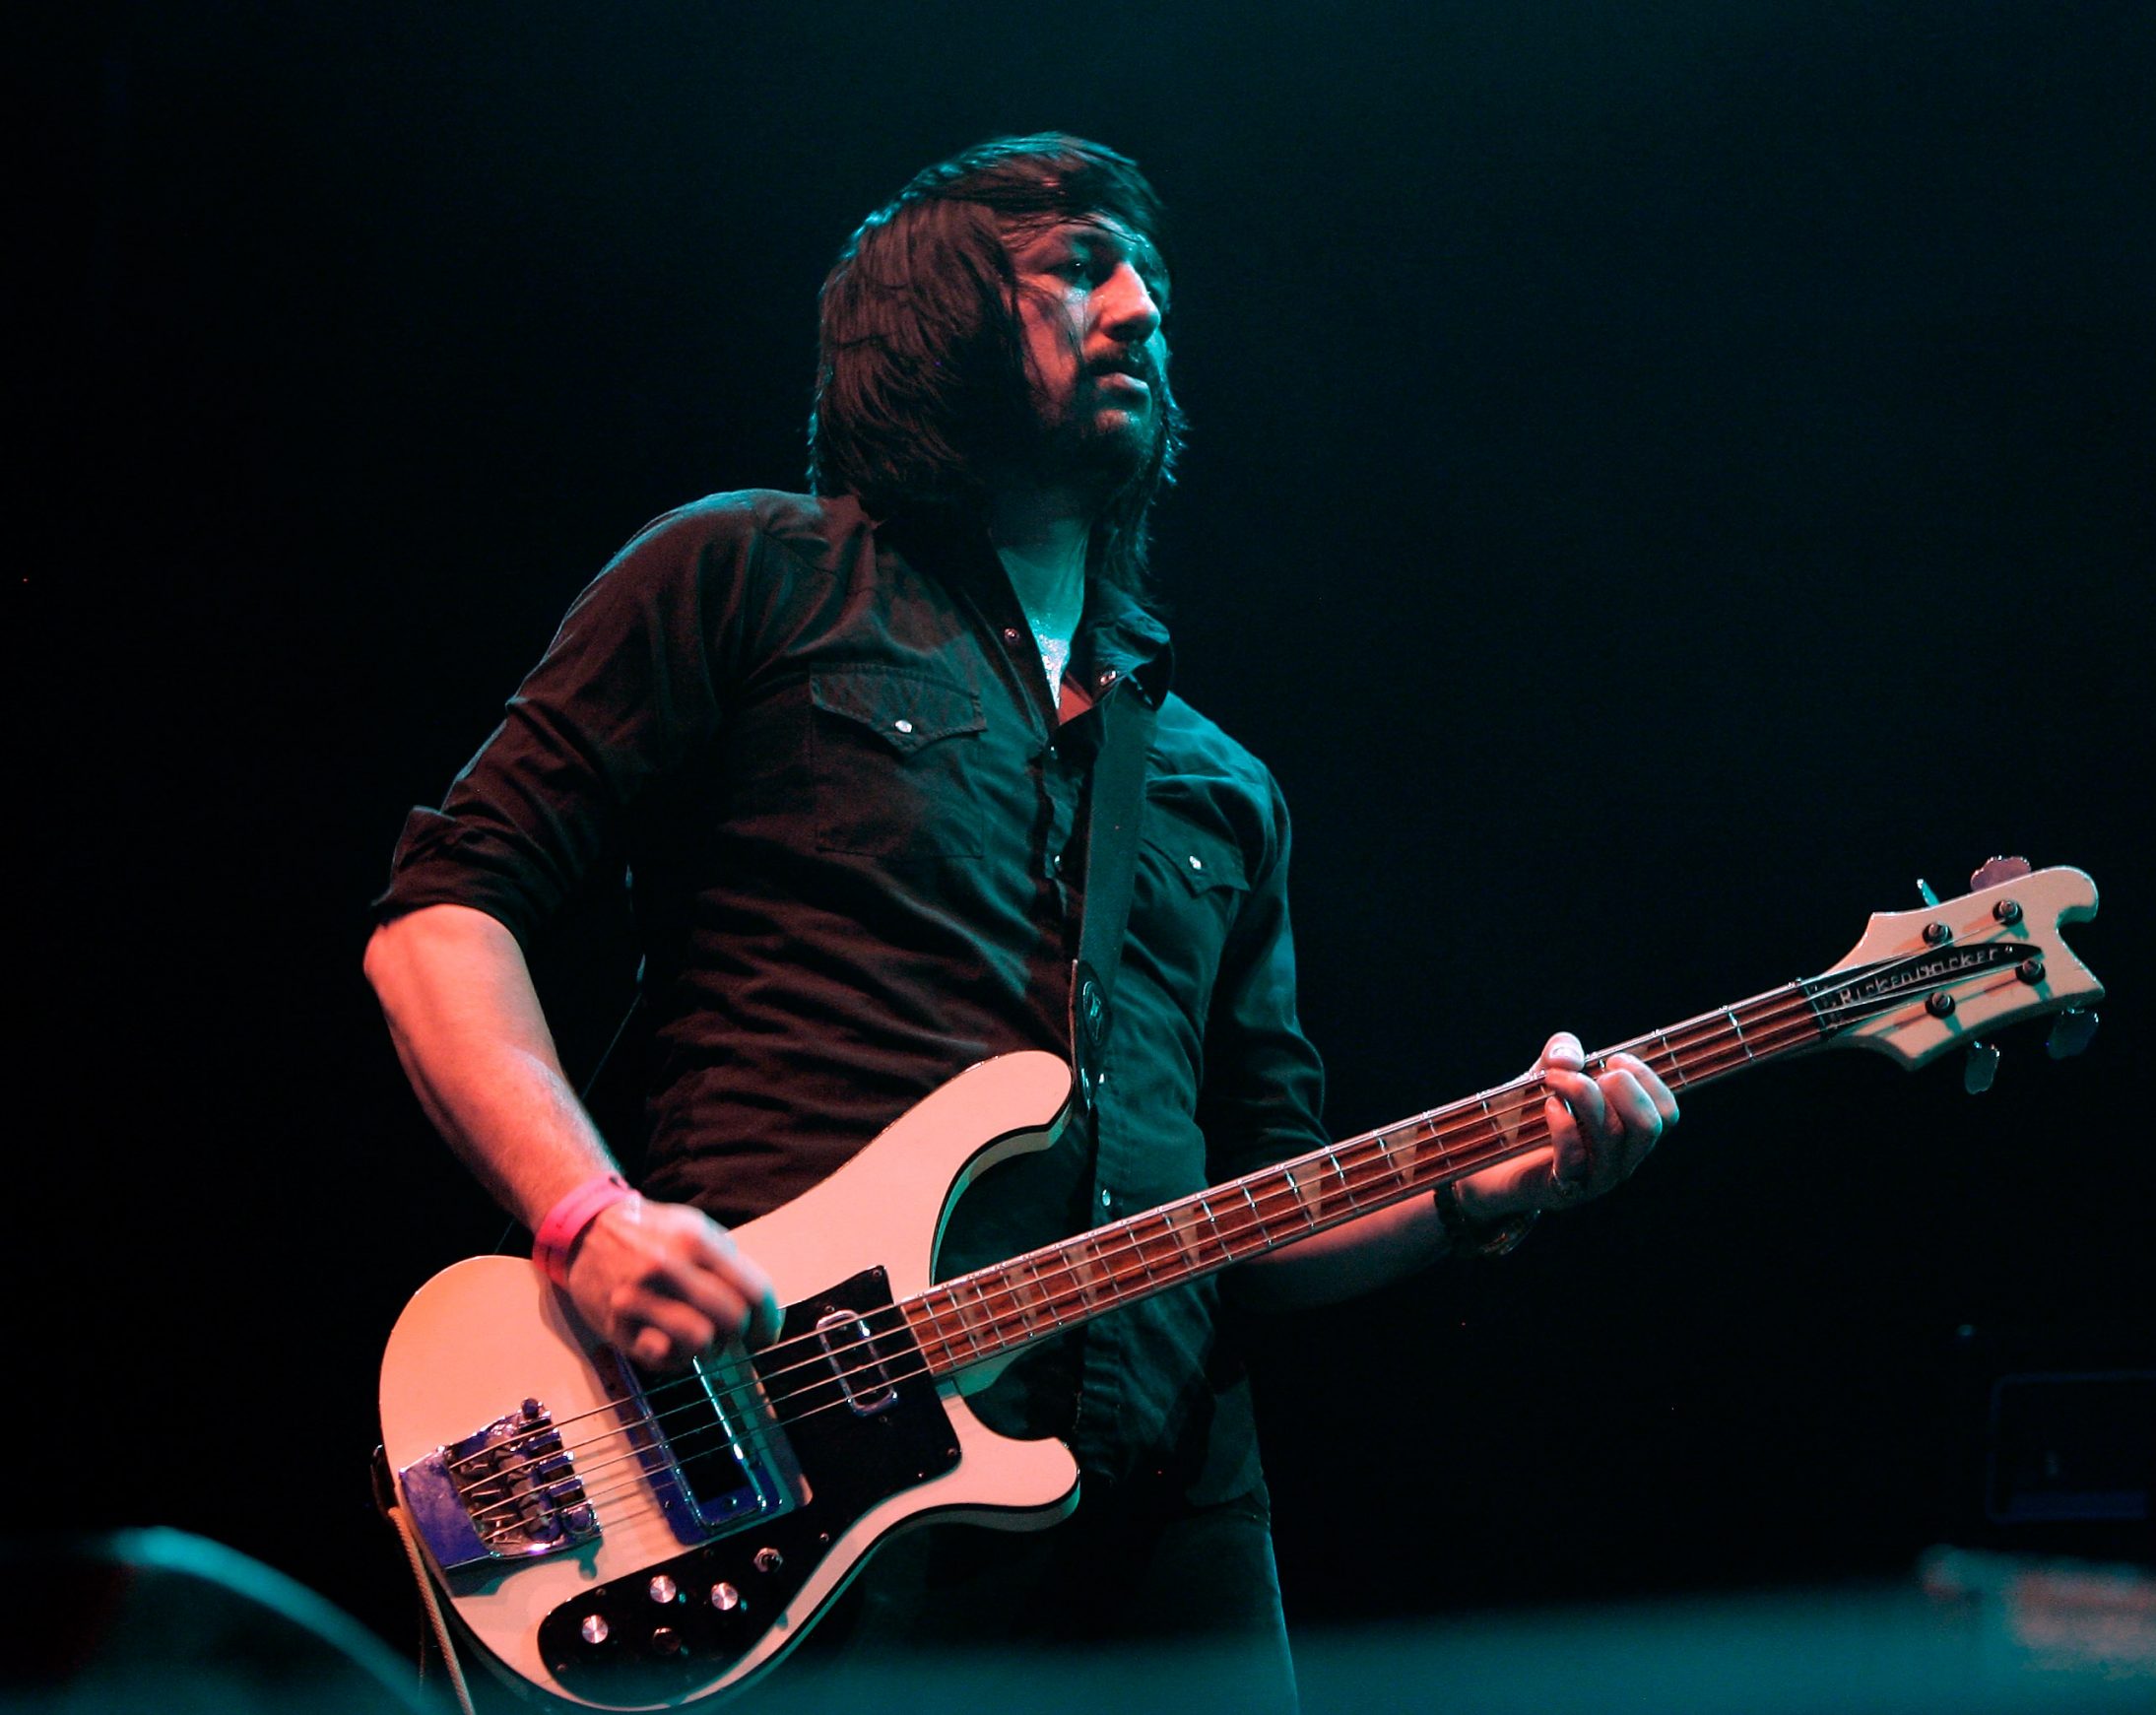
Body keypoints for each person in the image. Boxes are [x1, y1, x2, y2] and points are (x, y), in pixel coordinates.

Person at [363, 133, 1676, 1708]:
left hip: (1166, 1510)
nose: (1141, 311)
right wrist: (586, 1217)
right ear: (935, 318)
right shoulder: (748, 576)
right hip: (775, 1464)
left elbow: (1265, 1204)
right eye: (1080, 270)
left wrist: (1478, 1186)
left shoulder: (1219, 786)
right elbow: (445, 912)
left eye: (1152, 282)